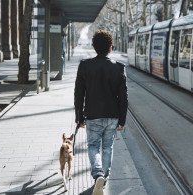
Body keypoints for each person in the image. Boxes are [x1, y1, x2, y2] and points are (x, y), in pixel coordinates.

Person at [74, 30, 128, 195]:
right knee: (108, 147)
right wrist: (122, 120)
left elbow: (79, 94)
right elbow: (123, 98)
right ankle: (103, 177)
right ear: (110, 48)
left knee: (93, 146)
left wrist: (79, 117)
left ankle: (97, 174)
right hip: (112, 116)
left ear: (94, 46)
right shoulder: (119, 68)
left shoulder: (85, 65)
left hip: (92, 115)